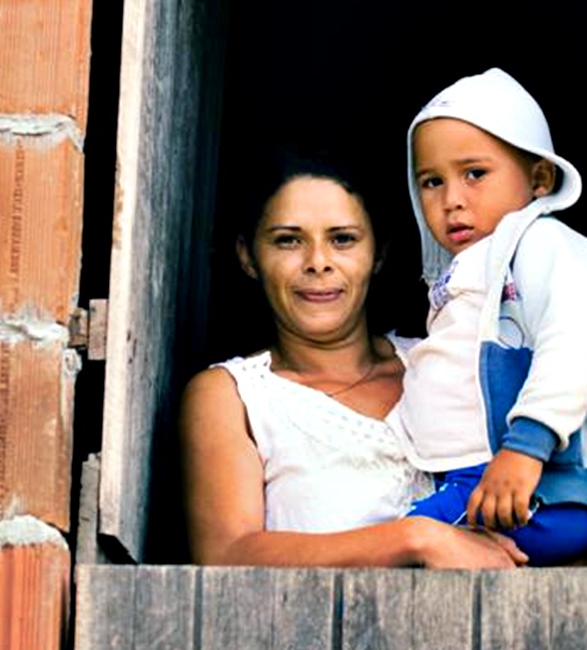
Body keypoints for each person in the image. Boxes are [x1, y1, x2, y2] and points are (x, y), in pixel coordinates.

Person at [179, 151, 529, 568]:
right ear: (248, 256)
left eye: (342, 239)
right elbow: (226, 554)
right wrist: (415, 538)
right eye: (288, 240)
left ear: (378, 253)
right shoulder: (235, 396)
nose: (318, 262)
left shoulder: (441, 360)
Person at [392, 68, 587, 566]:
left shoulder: (546, 243)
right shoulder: (468, 270)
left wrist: (526, 448)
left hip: (540, 487)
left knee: (397, 546)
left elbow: (574, 343)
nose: (452, 199)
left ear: (539, 178)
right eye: (431, 182)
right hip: (480, 482)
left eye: (474, 174)